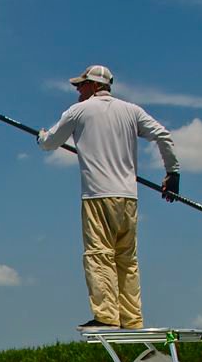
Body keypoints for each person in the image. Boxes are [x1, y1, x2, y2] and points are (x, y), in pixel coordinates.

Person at [38, 64, 181, 330]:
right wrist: (172, 173)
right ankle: (131, 318)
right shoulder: (132, 111)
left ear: (93, 85)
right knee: (126, 259)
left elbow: (49, 144)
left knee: (99, 254)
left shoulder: (78, 111)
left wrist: (41, 137)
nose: (77, 90)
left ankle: (105, 317)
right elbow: (164, 135)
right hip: (129, 198)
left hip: (97, 196)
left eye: (80, 85)